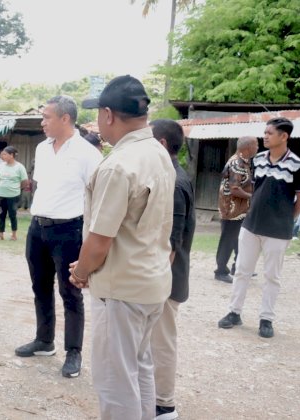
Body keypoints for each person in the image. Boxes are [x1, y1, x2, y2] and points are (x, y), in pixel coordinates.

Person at [71, 75, 175, 419]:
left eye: (99, 115)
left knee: (116, 383)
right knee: (140, 368)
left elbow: (100, 240)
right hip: (152, 283)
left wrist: (81, 272)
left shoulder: (118, 164)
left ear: (108, 115)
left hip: (120, 289)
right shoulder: (158, 153)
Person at [14, 95, 102, 379]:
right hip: (38, 228)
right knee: (40, 286)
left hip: (69, 230)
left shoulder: (88, 154)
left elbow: (98, 196)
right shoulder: (41, 148)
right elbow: (43, 186)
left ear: (65, 119)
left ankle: (73, 352)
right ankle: (44, 341)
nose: (42, 122)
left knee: (70, 291)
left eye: (47, 117)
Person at [218, 117, 300, 338]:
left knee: (272, 276)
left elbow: (299, 199)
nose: (264, 136)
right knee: (242, 270)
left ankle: (266, 319)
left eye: (269, 133)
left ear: (284, 136)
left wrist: (288, 219)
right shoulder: (258, 160)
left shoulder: (296, 163)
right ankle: (234, 312)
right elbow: (256, 189)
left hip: (278, 229)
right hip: (251, 224)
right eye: (264, 132)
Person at [150, 119, 196, 420]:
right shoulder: (171, 176)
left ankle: (164, 404)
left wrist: (154, 283)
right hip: (162, 279)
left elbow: (171, 243)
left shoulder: (175, 182)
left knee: (162, 342)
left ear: (162, 145)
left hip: (166, 281)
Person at [213, 136, 258, 283]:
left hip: (240, 208)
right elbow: (234, 189)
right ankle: (220, 271)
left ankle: (238, 267)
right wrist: (252, 196)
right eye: (256, 145)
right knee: (228, 238)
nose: (258, 147)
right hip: (231, 209)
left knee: (241, 238)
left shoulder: (244, 162)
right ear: (248, 147)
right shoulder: (236, 163)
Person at [0, 146, 28, 241]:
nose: (3, 156)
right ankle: (1, 235)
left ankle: (14, 235)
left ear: (11, 155)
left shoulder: (19, 167)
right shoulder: (1, 166)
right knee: (1, 214)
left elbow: (25, 182)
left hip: (13, 196)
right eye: (2, 154)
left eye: (5, 154)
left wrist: (16, 188)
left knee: (12, 215)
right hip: (1, 195)